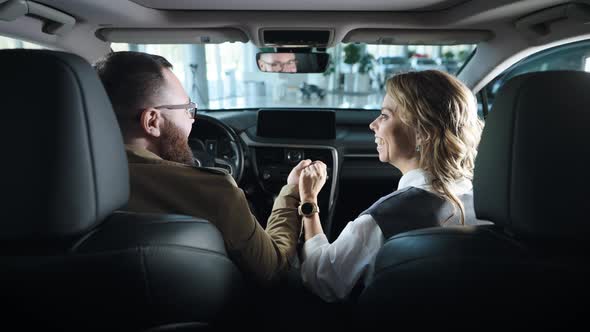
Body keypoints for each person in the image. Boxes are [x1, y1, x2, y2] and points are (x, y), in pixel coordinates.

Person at [95, 51, 309, 283]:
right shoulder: (214, 191)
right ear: (152, 121)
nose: (193, 119)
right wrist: (292, 192)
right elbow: (273, 269)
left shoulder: (60, 184)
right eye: (187, 109)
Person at [298, 70, 485, 302]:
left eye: (385, 116)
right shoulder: (485, 203)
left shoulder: (386, 218)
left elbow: (321, 278)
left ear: (422, 133)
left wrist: (308, 199)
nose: (372, 124)